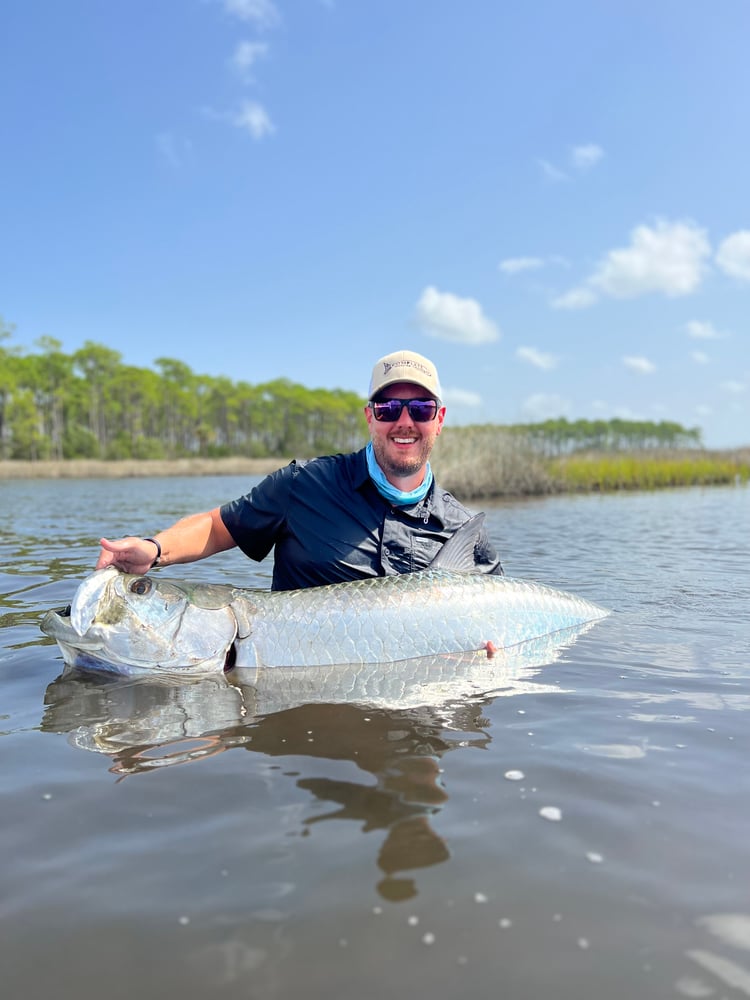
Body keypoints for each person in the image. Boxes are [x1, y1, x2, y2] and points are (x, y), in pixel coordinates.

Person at [96, 349, 502, 589]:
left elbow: (502, 628)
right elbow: (219, 527)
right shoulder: (303, 485)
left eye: (421, 409)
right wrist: (154, 548)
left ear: (440, 418)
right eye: (389, 408)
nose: (404, 422)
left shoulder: (465, 530)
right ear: (369, 416)